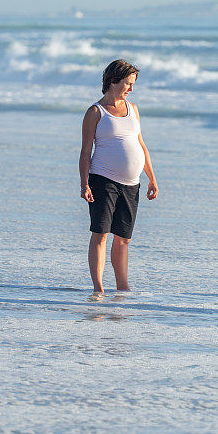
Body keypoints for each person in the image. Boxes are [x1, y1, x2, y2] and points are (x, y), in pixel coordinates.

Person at [79, 59, 158, 294]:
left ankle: (123, 288)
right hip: (102, 180)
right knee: (100, 234)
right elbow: (85, 152)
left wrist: (152, 178)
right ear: (113, 81)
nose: (131, 88)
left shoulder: (133, 109)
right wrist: (84, 184)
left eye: (133, 84)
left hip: (132, 183)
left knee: (123, 238)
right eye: (128, 83)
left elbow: (141, 146)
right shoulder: (95, 112)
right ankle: (99, 288)